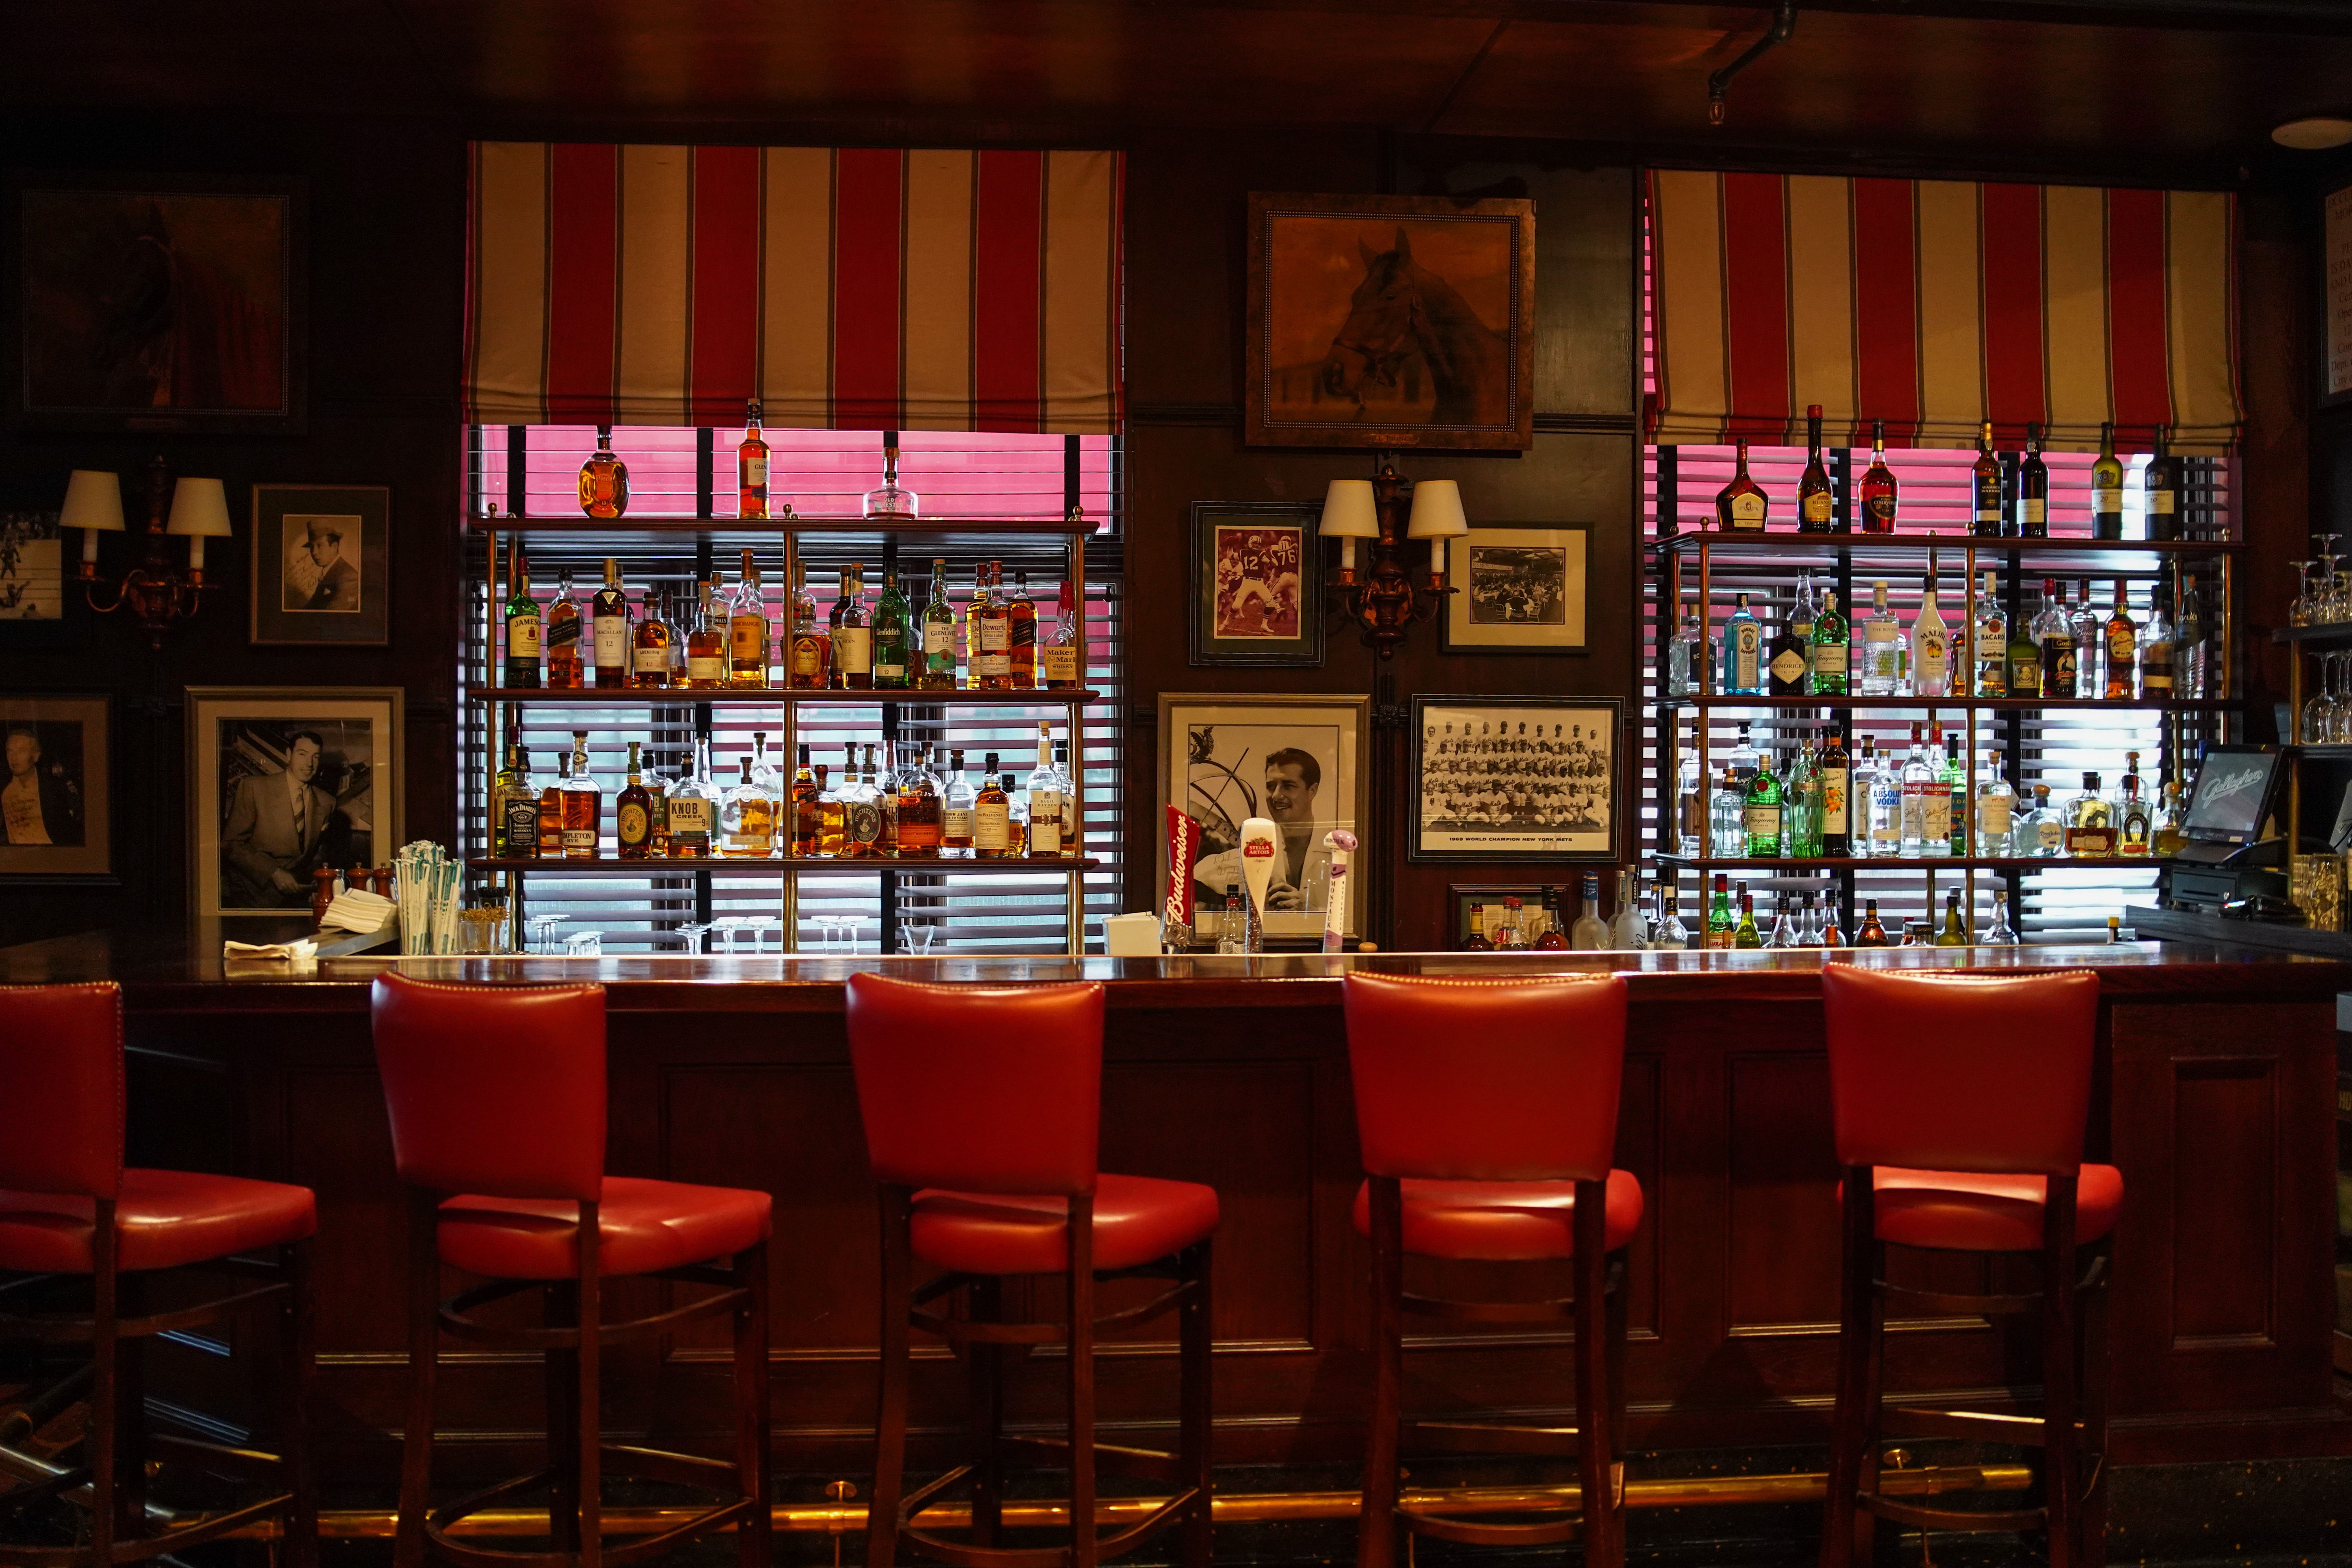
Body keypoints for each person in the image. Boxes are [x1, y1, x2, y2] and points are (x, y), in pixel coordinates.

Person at [1193, 747, 1332, 914]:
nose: (1276, 795)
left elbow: (1351, 917)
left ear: (1313, 791)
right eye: (1271, 786)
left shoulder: (1339, 851)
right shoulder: (1258, 845)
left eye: (1288, 786)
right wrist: (1264, 875)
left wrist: (1309, 912)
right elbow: (1196, 876)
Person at [222, 731, 336, 907]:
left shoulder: (327, 802)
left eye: (316, 757)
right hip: (254, 896)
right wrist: (273, 873)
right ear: (289, 755)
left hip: (298, 896)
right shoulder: (255, 788)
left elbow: (317, 854)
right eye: (302, 755)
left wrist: (319, 884)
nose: (309, 764)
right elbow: (231, 844)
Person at [1, 727, 82, 846]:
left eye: (22, 751)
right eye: (10, 751)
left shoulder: (55, 789)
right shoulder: (5, 791)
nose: (14, 758)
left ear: (36, 756)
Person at [289, 518, 359, 611]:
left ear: (334, 547)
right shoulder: (328, 572)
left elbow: (332, 616)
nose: (314, 552)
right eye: (312, 547)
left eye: (319, 545)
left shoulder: (349, 577)